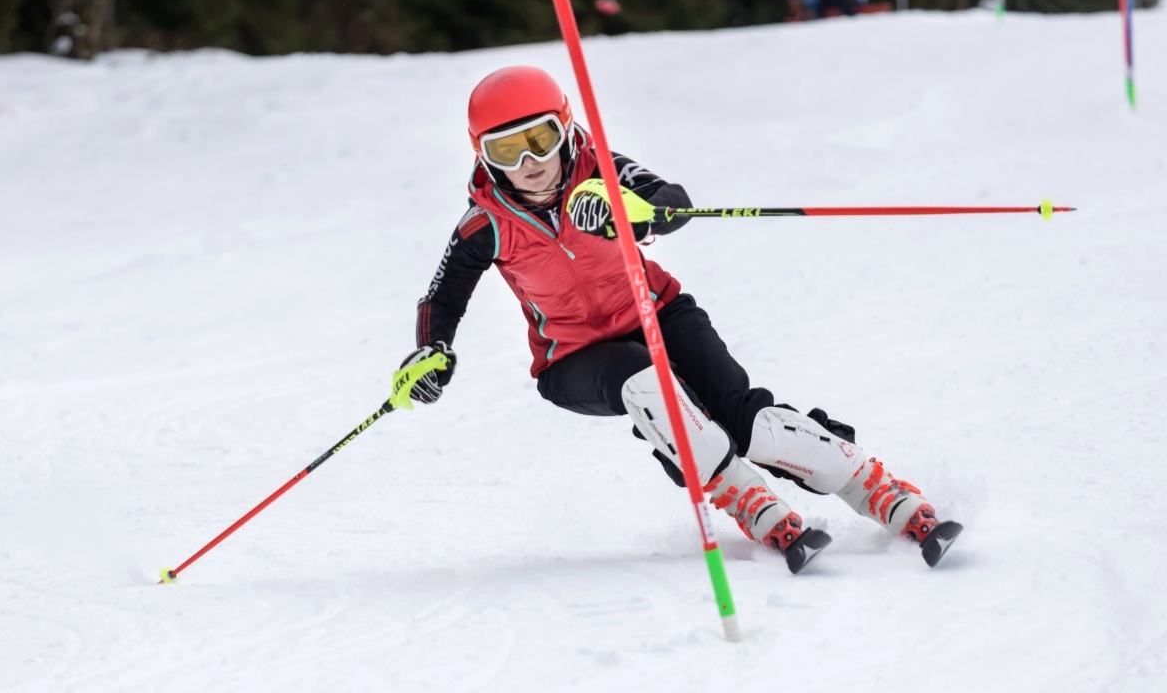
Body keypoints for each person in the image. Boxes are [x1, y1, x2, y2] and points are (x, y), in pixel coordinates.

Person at [399, 66, 962, 573]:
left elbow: (671, 199)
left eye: (540, 139)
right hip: (573, 359)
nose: (530, 163)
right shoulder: (485, 223)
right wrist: (431, 350)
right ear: (482, 156)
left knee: (750, 423)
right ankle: (746, 498)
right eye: (507, 151)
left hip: (659, 312)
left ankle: (879, 489)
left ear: (565, 129)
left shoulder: (601, 170)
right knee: (649, 384)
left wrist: (631, 214)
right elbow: (441, 298)